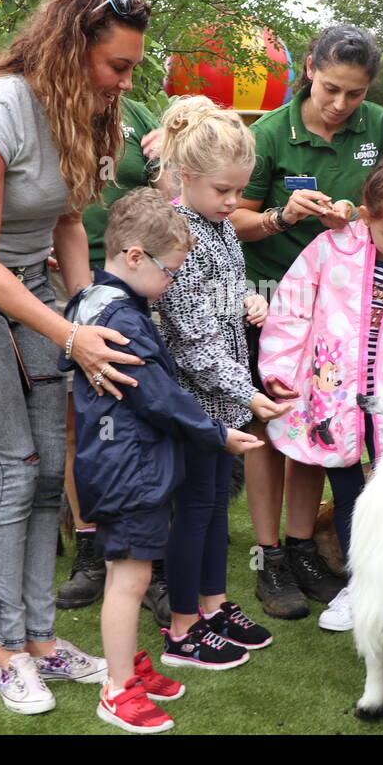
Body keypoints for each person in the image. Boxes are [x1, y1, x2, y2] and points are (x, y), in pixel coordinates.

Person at [0, 0, 148, 715]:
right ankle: (6, 650)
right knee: (14, 470)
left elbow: (69, 221)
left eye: (131, 69)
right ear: (69, 48)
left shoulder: (84, 113)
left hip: (33, 288)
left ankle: (44, 641)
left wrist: (91, 309)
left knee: (53, 469)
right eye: (116, 66)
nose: (123, 83)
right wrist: (71, 334)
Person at [61, 189, 264, 732]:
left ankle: (129, 665)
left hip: (122, 462)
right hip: (128, 467)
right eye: (169, 272)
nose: (172, 282)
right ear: (134, 257)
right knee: (127, 579)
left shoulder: (95, 301)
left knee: (134, 570)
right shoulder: (123, 317)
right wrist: (217, 433)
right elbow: (158, 396)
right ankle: (116, 689)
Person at [228, 25, 383, 619]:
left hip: (340, 310)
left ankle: (303, 549)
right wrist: (279, 215)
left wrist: (361, 210)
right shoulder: (271, 134)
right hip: (268, 303)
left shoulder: (380, 126)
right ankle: (269, 557)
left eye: (354, 94)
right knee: (267, 426)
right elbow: (232, 220)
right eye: (330, 89)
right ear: (308, 69)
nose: (341, 104)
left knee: (313, 427)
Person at [258, 140, 383, 631]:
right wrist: (279, 371)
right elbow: (291, 310)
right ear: (364, 216)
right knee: (349, 494)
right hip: (332, 397)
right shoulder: (328, 250)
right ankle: (359, 587)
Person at [152, 96, 292, 661]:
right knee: (192, 514)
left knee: (213, 509)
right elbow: (194, 343)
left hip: (222, 400)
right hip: (194, 405)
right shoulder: (177, 237)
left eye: (240, 191)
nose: (235, 203)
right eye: (224, 193)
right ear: (186, 177)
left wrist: (249, 303)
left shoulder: (221, 228)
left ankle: (213, 604)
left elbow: (224, 296)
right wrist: (251, 395)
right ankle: (183, 630)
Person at [58, 98, 166, 620]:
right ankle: (91, 547)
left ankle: (148, 554)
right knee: (76, 423)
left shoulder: (140, 113)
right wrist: (83, 301)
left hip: (138, 277)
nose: (121, 79)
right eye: (115, 65)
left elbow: (165, 190)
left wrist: (164, 149)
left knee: (138, 411)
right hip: (64, 274)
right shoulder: (49, 108)